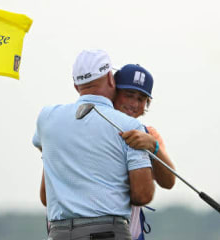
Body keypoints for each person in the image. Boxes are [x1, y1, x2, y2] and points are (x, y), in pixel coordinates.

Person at [33, 50, 155, 240]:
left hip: (59, 233)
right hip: (107, 232)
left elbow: (45, 197)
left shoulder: (46, 118)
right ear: (110, 78)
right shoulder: (129, 125)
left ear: (76, 85)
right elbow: (142, 195)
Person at [114, 64, 176, 240]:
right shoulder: (93, 125)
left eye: (141, 99)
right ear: (115, 93)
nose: (133, 104)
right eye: (128, 95)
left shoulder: (149, 134)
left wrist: (153, 147)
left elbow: (169, 181)